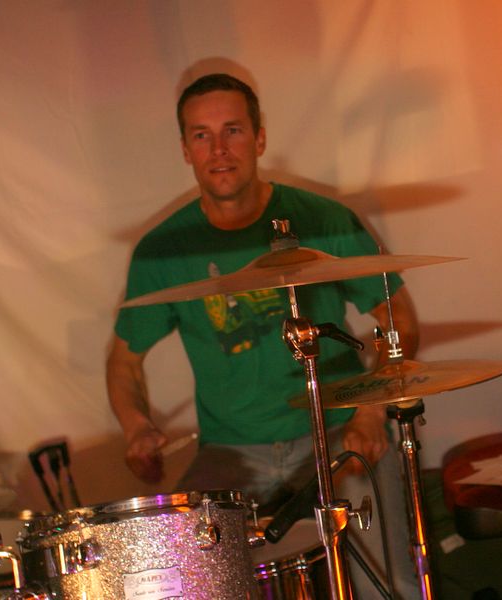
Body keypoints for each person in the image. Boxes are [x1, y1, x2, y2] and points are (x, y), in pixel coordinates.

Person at [106, 72, 421, 599]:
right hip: (230, 450)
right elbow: (123, 362)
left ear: (259, 138)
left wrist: (370, 412)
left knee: (390, 584)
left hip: (337, 428)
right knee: (182, 576)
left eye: (232, 130)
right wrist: (136, 427)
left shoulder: (324, 220)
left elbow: (400, 321)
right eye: (202, 135)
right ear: (185, 149)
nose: (219, 149)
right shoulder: (163, 251)